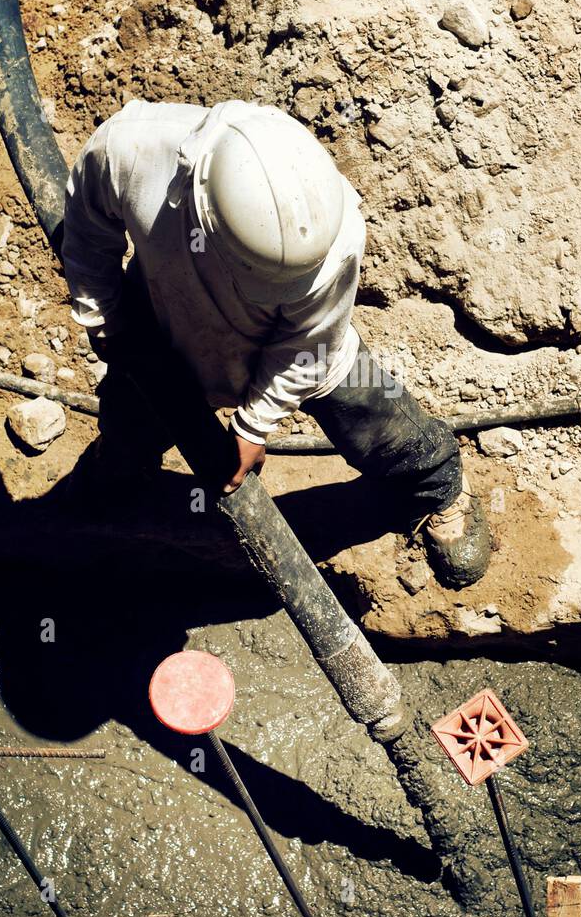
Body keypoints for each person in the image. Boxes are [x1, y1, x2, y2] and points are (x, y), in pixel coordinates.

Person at [61, 100, 493, 589]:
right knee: (131, 418)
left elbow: (308, 343)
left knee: (372, 413)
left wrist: (254, 426)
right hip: (165, 320)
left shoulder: (337, 231)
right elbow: (86, 228)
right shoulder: (133, 150)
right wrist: (107, 319)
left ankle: (435, 485)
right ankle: (118, 470)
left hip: (298, 343)